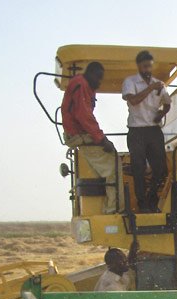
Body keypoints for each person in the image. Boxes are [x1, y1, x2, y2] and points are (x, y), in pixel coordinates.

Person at [61, 61, 118, 214]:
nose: (99, 82)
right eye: (98, 78)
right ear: (90, 73)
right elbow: (84, 115)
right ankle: (113, 209)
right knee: (114, 164)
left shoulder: (81, 84)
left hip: (77, 134)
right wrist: (102, 139)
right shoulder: (81, 85)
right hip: (80, 135)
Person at [121, 50, 171, 213]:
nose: (147, 69)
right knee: (138, 168)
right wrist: (150, 88)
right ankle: (142, 203)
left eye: (149, 66)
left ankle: (151, 197)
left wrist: (161, 113)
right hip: (137, 131)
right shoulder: (130, 82)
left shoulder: (159, 84)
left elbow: (168, 103)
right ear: (139, 66)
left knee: (161, 168)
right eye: (144, 66)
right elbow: (134, 101)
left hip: (154, 130)